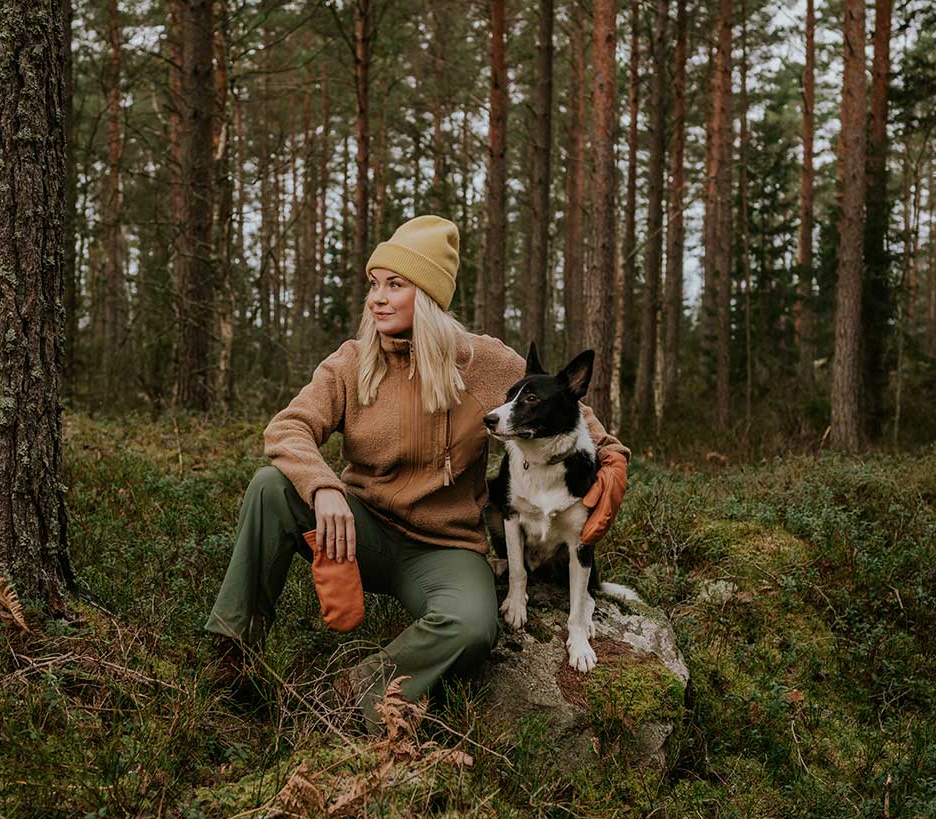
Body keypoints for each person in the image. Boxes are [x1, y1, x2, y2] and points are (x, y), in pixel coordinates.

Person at [204, 214, 630, 725]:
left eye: (395, 285)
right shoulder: (351, 362)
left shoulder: (483, 361)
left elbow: (567, 410)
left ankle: (350, 697)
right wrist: (324, 490)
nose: (377, 298)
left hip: (445, 549)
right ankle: (233, 660)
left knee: (473, 625)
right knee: (271, 487)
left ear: (427, 296)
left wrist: (613, 459)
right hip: (359, 533)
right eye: (375, 285)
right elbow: (287, 428)